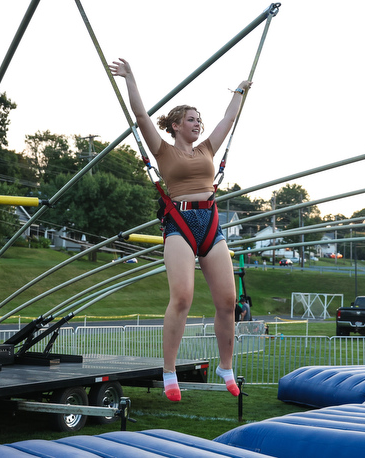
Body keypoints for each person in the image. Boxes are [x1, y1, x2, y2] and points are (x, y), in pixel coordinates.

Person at [110, 57, 251, 401]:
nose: (198, 124)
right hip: (180, 223)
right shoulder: (162, 150)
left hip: (211, 222)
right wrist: (130, 78)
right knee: (183, 297)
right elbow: (142, 117)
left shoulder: (207, 148)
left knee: (228, 300)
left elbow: (228, 119)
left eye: (199, 120)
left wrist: (239, 92)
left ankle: (225, 366)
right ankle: (169, 370)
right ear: (175, 125)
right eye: (191, 119)